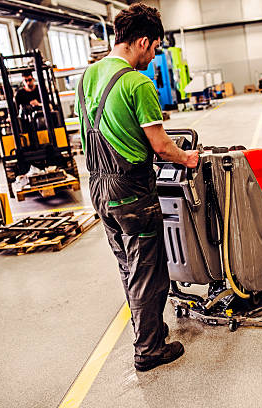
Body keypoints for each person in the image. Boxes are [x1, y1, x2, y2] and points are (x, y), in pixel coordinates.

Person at [75, 3, 199, 372]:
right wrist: (188, 159)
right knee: (148, 269)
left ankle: (151, 329)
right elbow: (161, 145)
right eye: (156, 46)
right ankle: (149, 349)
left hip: (98, 187)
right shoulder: (137, 82)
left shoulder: (87, 77)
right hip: (131, 191)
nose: (155, 54)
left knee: (129, 267)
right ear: (143, 41)